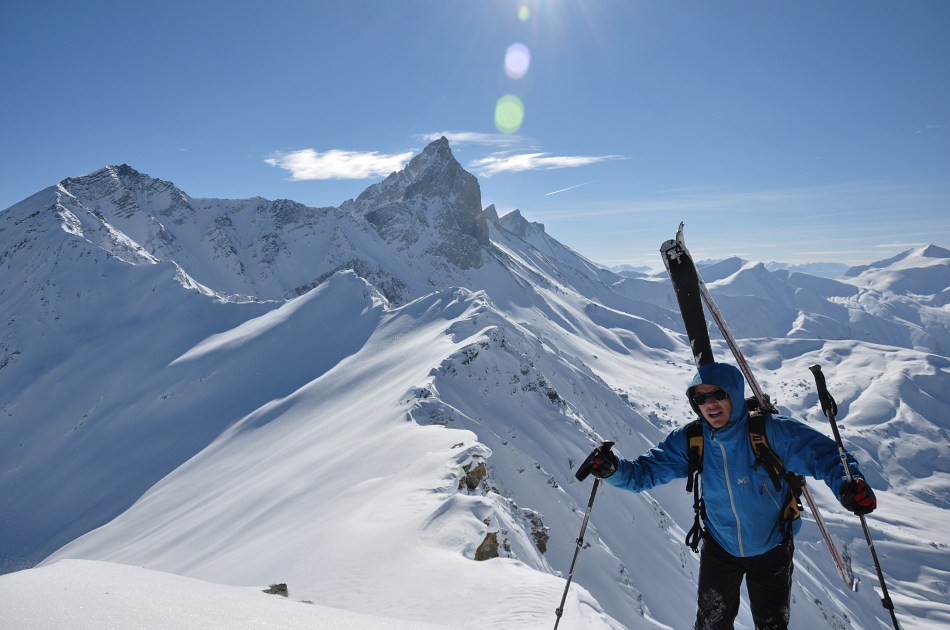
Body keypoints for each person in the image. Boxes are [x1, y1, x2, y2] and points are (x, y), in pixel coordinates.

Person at [586, 362, 876, 630]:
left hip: (771, 547)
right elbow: (643, 473)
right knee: (710, 625)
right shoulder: (692, 440)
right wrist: (613, 470)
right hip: (720, 548)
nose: (709, 404)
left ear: (734, 395)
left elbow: (828, 457)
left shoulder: (770, 432)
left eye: (717, 394)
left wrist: (850, 486)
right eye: (700, 399)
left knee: (772, 626)